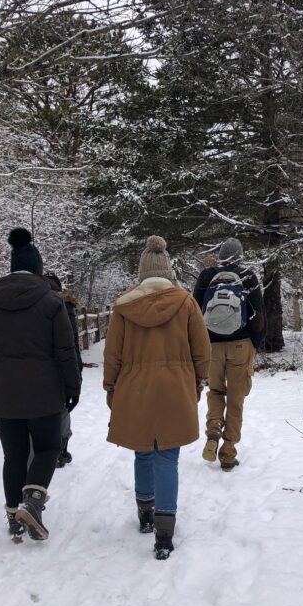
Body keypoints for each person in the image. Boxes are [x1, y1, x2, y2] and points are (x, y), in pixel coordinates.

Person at [103, 235, 210, 560]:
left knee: (143, 452)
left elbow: (113, 354)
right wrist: (198, 381)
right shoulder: (186, 302)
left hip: (135, 388)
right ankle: (165, 533)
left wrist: (111, 387)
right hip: (175, 388)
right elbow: (201, 349)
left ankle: (146, 513)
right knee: (167, 457)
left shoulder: (124, 307)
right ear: (168, 271)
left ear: (142, 273)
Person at [0, 228, 81, 541]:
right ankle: (32, 502)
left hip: (4, 392)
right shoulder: (51, 302)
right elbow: (65, 350)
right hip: (45, 392)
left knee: (14, 455)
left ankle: (13, 519)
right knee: (48, 448)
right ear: (38, 269)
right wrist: (72, 387)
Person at [193, 237, 265, 471]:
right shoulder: (247, 276)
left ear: (220, 256)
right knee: (236, 398)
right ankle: (228, 452)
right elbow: (260, 317)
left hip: (211, 346)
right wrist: (254, 344)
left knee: (215, 391)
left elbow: (194, 313)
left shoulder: (206, 276)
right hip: (241, 346)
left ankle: (213, 429)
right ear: (240, 257)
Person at [43, 272, 84, 468]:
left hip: (39, 368)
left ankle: (40, 450)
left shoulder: (36, 302)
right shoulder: (63, 305)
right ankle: (60, 450)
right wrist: (77, 372)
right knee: (62, 409)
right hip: (61, 367)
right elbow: (72, 342)